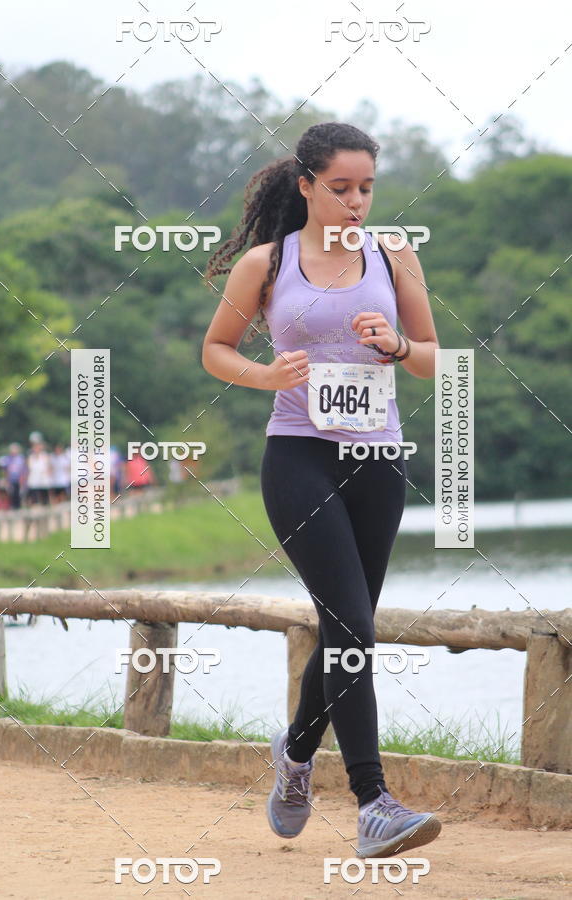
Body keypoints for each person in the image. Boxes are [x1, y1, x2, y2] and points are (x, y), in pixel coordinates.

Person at [202, 122, 441, 858]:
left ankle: (297, 753)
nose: (356, 203)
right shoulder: (267, 264)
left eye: (366, 188)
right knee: (354, 629)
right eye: (341, 189)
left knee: (348, 630)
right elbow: (215, 350)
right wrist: (267, 374)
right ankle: (374, 803)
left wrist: (397, 345)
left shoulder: (394, 254)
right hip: (299, 457)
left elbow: (435, 360)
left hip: (379, 461)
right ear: (306, 186)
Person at [0, 443, 27, 510]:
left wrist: (23, 478)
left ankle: (18, 507)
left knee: (19, 494)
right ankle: (13, 506)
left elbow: (23, 469)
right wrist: (6, 479)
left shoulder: (21, 458)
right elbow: (6, 470)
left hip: (19, 479)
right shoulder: (8, 459)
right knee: (11, 493)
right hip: (11, 479)